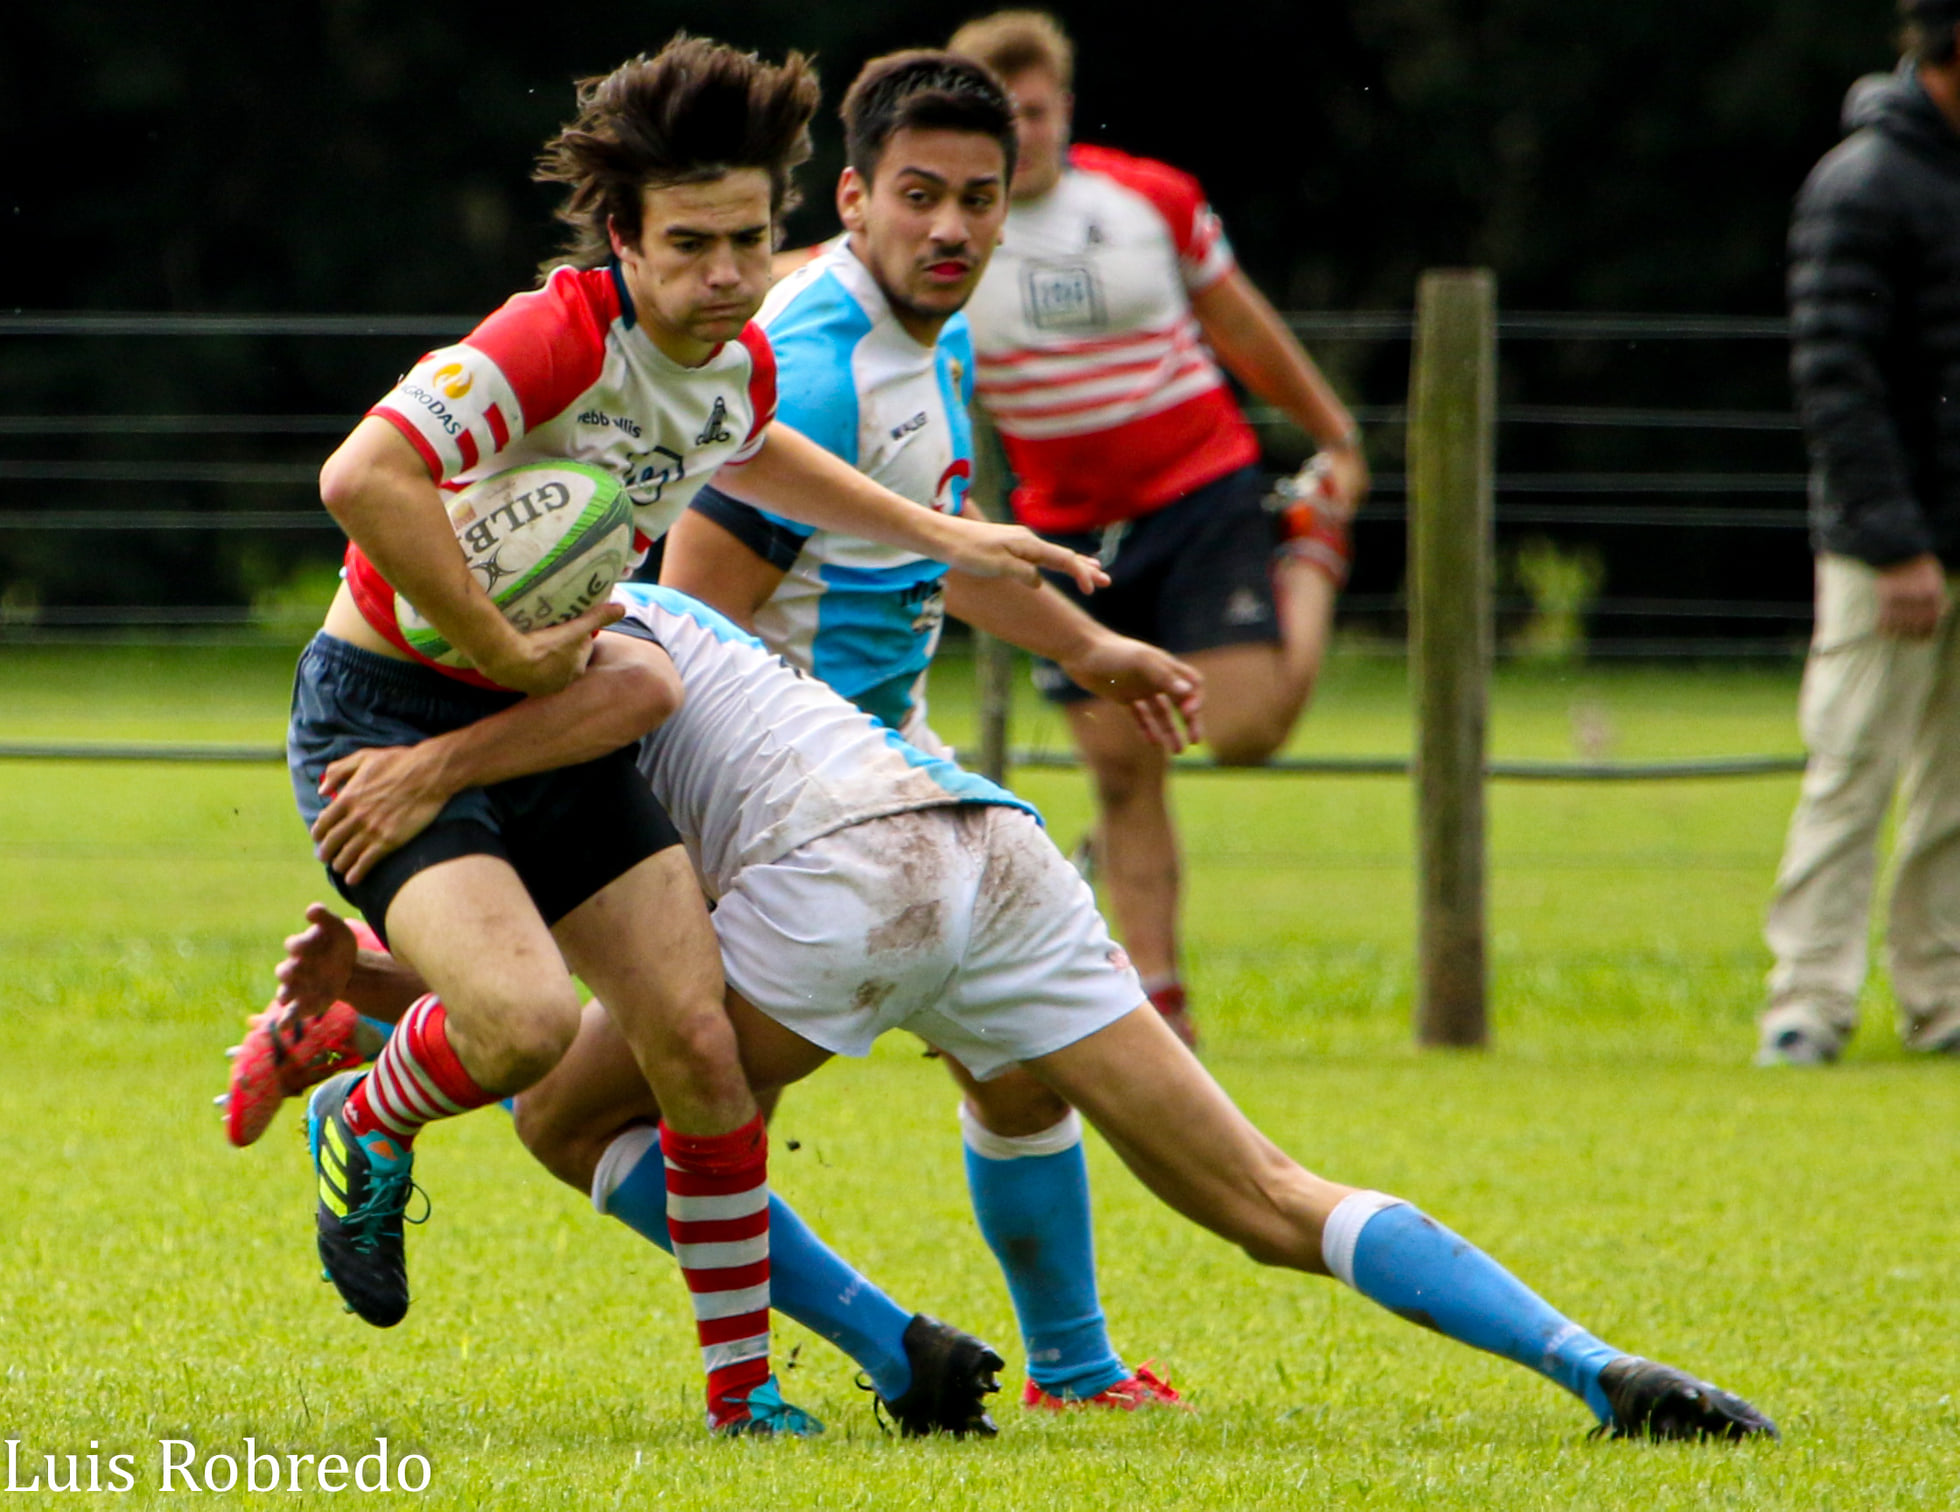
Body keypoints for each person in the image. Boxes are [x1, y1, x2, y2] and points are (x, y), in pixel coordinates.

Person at [279, 582, 1779, 1445]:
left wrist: (375, 1024)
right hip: (988, 842)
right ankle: (1593, 1367)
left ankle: (887, 1349)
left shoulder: (553, 666)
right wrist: (385, 987)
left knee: (568, 1116)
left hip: (837, 877)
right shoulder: (672, 603)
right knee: (1265, 1195)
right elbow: (580, 953)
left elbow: (591, 983)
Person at [290, 34, 1102, 1436]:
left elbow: (757, 442)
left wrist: (941, 530)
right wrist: (493, 639)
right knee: (531, 1028)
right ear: (625, 237)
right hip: (391, 711)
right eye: (690, 245)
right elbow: (361, 475)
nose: (727, 276)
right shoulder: (551, 336)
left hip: (560, 716)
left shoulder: (739, 360)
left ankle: (743, 1393)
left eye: (748, 239)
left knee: (700, 1049)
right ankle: (365, 1115)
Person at [665, 51, 1198, 1409]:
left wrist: (1089, 646)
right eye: (921, 197)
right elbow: (683, 623)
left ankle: (1071, 1370)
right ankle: (391, 1048)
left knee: (1018, 1070)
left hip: (887, 773)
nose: (952, 228)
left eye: (978, 199)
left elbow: (919, 552)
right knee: (660, 1097)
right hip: (778, 800)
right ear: (853, 198)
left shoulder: (937, 333)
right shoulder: (817, 368)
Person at [943, 11, 1368, 1049]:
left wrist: (1332, 433)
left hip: (1200, 488)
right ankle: (1161, 1005)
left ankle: (1310, 546)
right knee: (1123, 772)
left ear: (1063, 109)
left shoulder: (1148, 200)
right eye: (1001, 116)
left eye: (1036, 111)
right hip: (1068, 533)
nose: (1023, 133)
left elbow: (1239, 324)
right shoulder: (948, 234)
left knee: (1248, 729)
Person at [1760, 0, 1960, 1066]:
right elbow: (1835, 380)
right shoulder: (1863, 184)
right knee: (1851, 769)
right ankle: (1807, 1004)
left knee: (1954, 788)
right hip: (1883, 550)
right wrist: (1892, 542)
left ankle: (1942, 996)